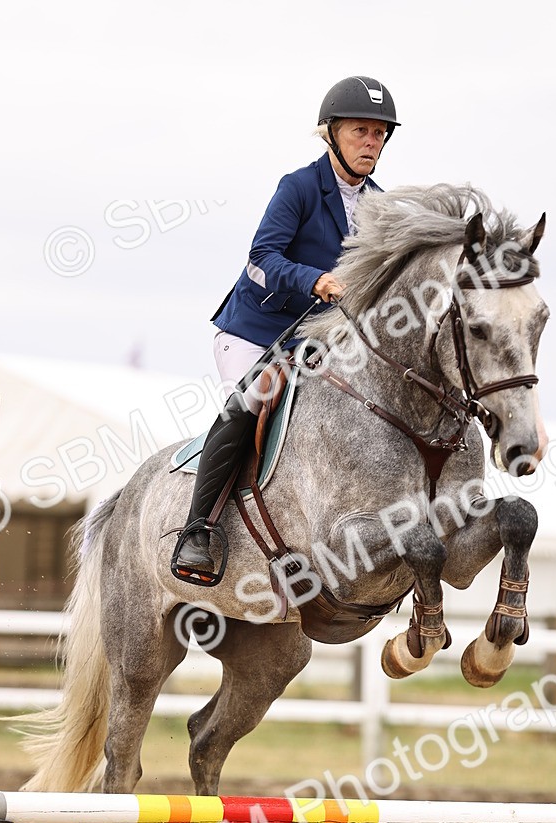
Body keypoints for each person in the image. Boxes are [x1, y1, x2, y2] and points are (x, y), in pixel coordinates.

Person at [172, 75, 400, 583]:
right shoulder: (298, 186)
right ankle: (197, 530)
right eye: (361, 131)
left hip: (315, 343)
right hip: (255, 332)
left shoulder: (381, 207)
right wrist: (315, 280)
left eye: (380, 134)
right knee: (253, 401)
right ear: (332, 134)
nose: (372, 142)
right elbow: (261, 258)